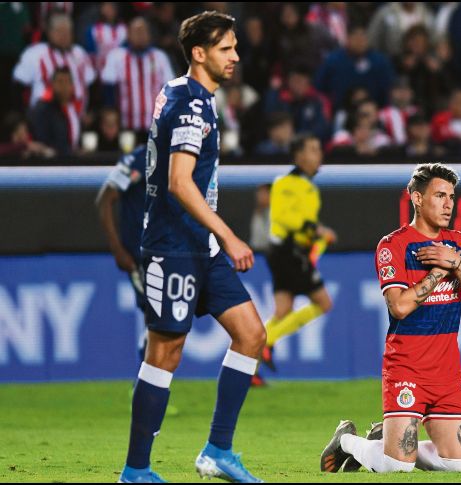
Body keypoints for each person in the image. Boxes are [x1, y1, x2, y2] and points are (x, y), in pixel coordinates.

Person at [118, 11, 266, 484]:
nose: (236, 56)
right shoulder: (192, 106)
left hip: (199, 246)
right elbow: (181, 183)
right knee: (165, 352)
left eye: (236, 47)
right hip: (174, 246)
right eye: (226, 48)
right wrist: (228, 233)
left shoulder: (182, 92)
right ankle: (135, 470)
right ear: (199, 53)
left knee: (251, 334)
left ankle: (218, 450)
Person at [319, 163, 461, 474]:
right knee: (398, 467)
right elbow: (399, 307)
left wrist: (457, 264)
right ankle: (347, 441)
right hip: (407, 365)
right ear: (417, 198)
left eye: (451, 196)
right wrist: (439, 271)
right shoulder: (393, 245)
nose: (448, 203)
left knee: (456, 465)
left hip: (447, 370)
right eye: (440, 195)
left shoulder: (458, 244)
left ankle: (383, 442)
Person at [260, 134, 337, 377]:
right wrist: (316, 230)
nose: (319, 154)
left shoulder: (309, 187)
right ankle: (266, 342)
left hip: (293, 251)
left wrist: (316, 237)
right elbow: (283, 217)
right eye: (313, 149)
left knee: (283, 310)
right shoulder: (284, 183)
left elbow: (304, 223)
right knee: (323, 303)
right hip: (287, 251)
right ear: (299, 156)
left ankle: (249, 364)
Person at [96, 145, 149, 360]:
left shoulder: (176, 155)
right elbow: (105, 199)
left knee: (163, 323)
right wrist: (117, 249)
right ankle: (145, 384)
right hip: (140, 254)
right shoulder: (138, 159)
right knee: (157, 320)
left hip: (166, 251)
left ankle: (147, 384)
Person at [101, 16, 176, 138]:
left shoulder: (159, 57)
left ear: (149, 34)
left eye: (143, 31)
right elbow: (108, 91)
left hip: (155, 127)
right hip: (126, 126)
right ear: (128, 35)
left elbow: (171, 91)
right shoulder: (116, 57)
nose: (140, 35)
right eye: (136, 31)